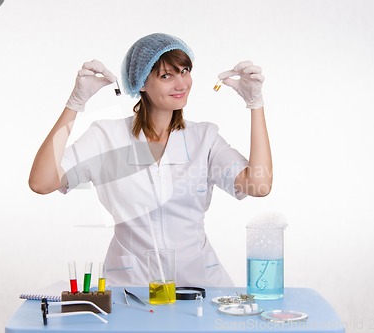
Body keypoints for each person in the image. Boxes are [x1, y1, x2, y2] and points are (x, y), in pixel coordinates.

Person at [28, 33, 272, 287]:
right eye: (166, 76)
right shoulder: (106, 138)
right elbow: (41, 182)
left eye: (185, 71)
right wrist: (75, 103)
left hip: (200, 286)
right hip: (131, 289)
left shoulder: (205, 138)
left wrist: (256, 104)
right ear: (141, 82)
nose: (182, 84)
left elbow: (259, 185)